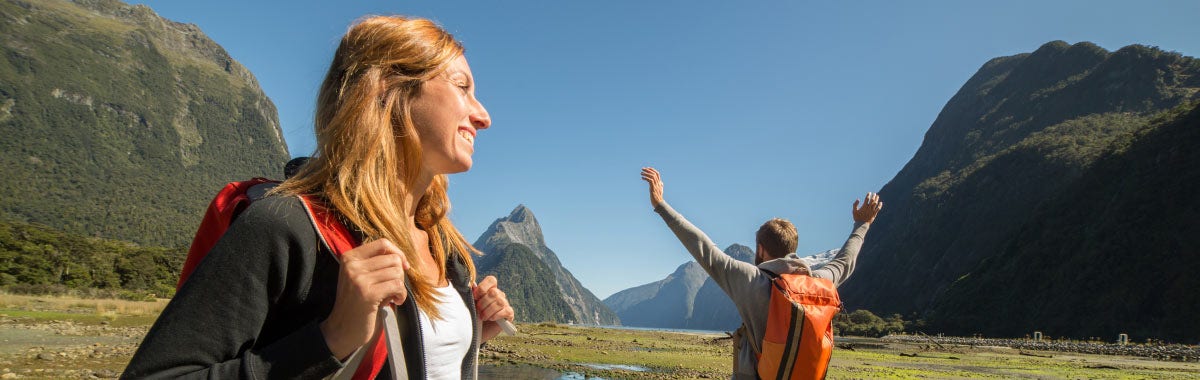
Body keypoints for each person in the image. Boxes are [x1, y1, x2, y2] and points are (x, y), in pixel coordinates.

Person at [123, 16, 514, 379]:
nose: (483, 116)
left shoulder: (445, 247)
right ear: (387, 90)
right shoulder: (285, 225)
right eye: (462, 87)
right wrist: (332, 338)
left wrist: (470, 329)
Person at [639, 167, 882, 379]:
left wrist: (661, 205)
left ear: (761, 249)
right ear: (793, 249)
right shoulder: (819, 282)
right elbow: (845, 261)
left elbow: (704, 248)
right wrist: (863, 224)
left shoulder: (751, 281)